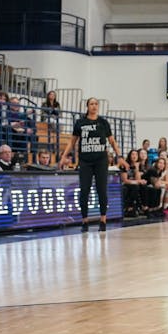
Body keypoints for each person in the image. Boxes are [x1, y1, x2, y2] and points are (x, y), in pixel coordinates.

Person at [59, 98, 120, 233]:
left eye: (96, 104)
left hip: (100, 160)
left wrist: (119, 156)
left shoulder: (103, 122)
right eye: (91, 104)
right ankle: (84, 220)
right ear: (87, 106)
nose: (94, 106)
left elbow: (112, 141)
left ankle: (103, 219)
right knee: (84, 191)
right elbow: (72, 142)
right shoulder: (80, 122)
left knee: (101, 190)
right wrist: (64, 156)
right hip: (85, 161)